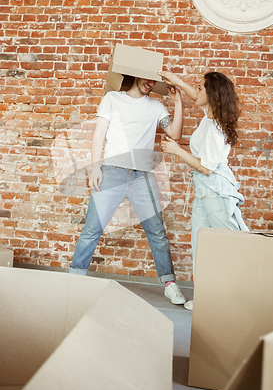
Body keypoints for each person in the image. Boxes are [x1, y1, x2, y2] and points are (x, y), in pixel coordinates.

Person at [69, 76, 186, 305]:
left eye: (154, 81)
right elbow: (99, 134)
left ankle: (170, 285)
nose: (150, 84)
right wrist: (95, 167)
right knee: (92, 230)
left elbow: (175, 134)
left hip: (142, 176)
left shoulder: (156, 107)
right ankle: (75, 282)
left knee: (157, 233)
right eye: (147, 79)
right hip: (112, 172)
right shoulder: (112, 99)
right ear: (136, 75)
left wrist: (178, 101)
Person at [160, 70, 248, 311]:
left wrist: (177, 151)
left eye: (200, 88)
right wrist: (177, 82)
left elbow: (207, 168)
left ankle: (243, 296)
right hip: (204, 191)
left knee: (230, 244)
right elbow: (194, 96)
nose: (195, 91)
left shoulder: (214, 128)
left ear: (212, 95)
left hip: (216, 191)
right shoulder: (211, 116)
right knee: (201, 245)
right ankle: (207, 298)